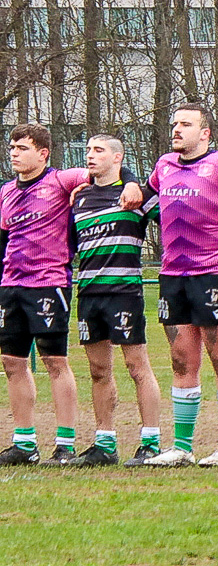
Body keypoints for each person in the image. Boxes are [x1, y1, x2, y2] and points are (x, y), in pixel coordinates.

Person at [0, 125, 129, 466]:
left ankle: (65, 442)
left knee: (54, 360)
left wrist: (130, 182)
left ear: (43, 153)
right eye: (12, 147)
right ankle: (25, 443)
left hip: (48, 282)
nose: (14, 153)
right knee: (12, 362)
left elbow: (108, 169)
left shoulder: (61, 180)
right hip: (12, 285)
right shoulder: (6, 192)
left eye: (22, 147)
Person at [143, 103, 218, 467]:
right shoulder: (164, 165)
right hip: (173, 275)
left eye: (186, 124)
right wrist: (131, 186)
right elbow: (145, 197)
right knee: (181, 361)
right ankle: (181, 448)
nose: (176, 129)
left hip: (216, 273)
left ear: (205, 134)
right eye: (174, 123)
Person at [68, 134, 162, 467]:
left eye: (98, 150)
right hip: (89, 293)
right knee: (97, 370)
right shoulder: (78, 197)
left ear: (117, 158)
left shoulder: (134, 196)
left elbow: (173, 221)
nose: (90, 156)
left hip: (124, 292)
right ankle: (104, 444)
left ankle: (150, 441)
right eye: (88, 150)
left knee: (137, 366)